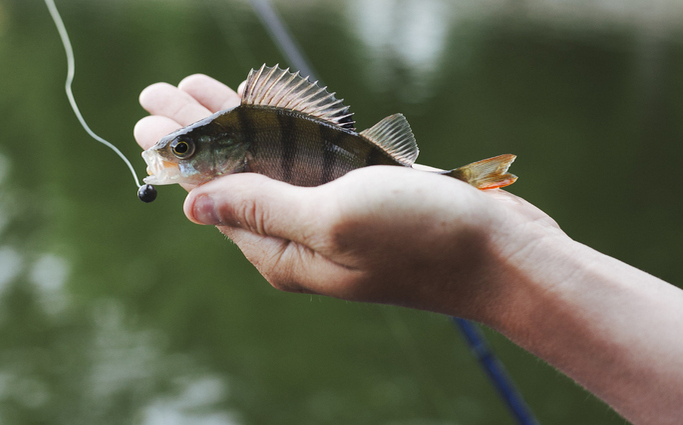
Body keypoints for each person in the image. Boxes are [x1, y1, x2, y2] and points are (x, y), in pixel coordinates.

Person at [134, 73, 683, 425]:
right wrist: (513, 251)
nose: (174, 156)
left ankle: (462, 183)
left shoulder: (240, 150)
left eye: (183, 148)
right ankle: (465, 184)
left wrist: (491, 252)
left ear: (222, 148)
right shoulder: (236, 138)